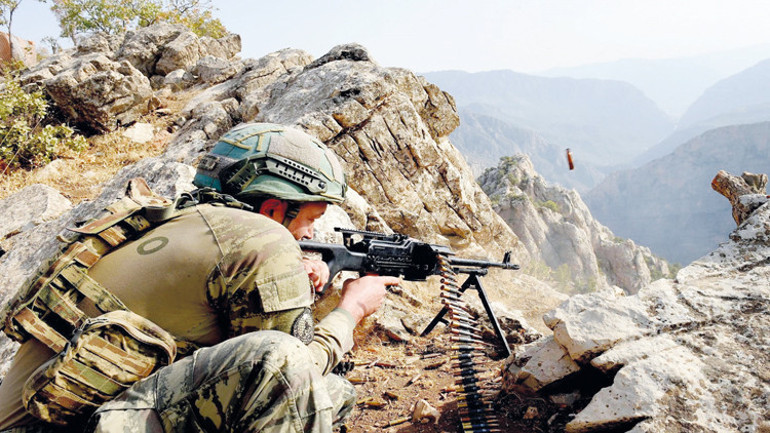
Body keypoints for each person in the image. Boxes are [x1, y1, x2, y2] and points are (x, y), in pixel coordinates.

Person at [0, 123, 400, 432]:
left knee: (334, 395)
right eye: (310, 218)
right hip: (80, 421)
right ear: (275, 208)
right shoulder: (263, 238)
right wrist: (351, 309)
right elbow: (290, 371)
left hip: (63, 413)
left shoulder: (162, 219)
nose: (310, 234)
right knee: (291, 368)